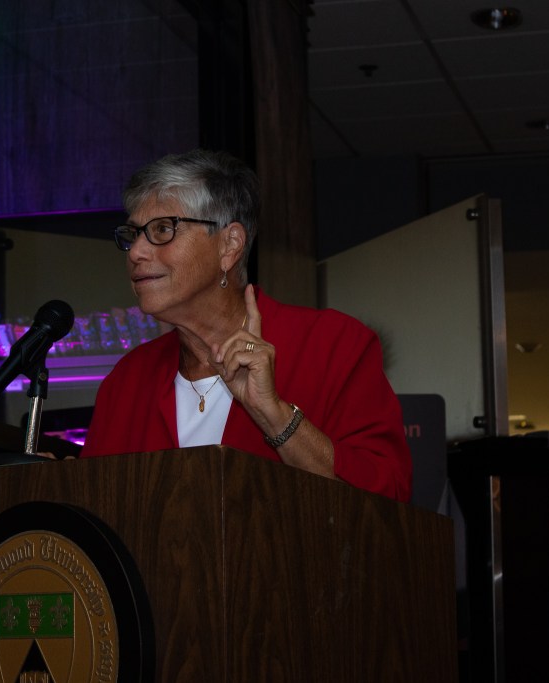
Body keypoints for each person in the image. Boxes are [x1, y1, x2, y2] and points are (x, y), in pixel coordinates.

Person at [80, 150, 411, 501]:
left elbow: (386, 503)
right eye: (133, 234)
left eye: (162, 229)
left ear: (229, 244)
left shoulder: (334, 345)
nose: (135, 252)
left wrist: (273, 414)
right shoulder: (127, 379)